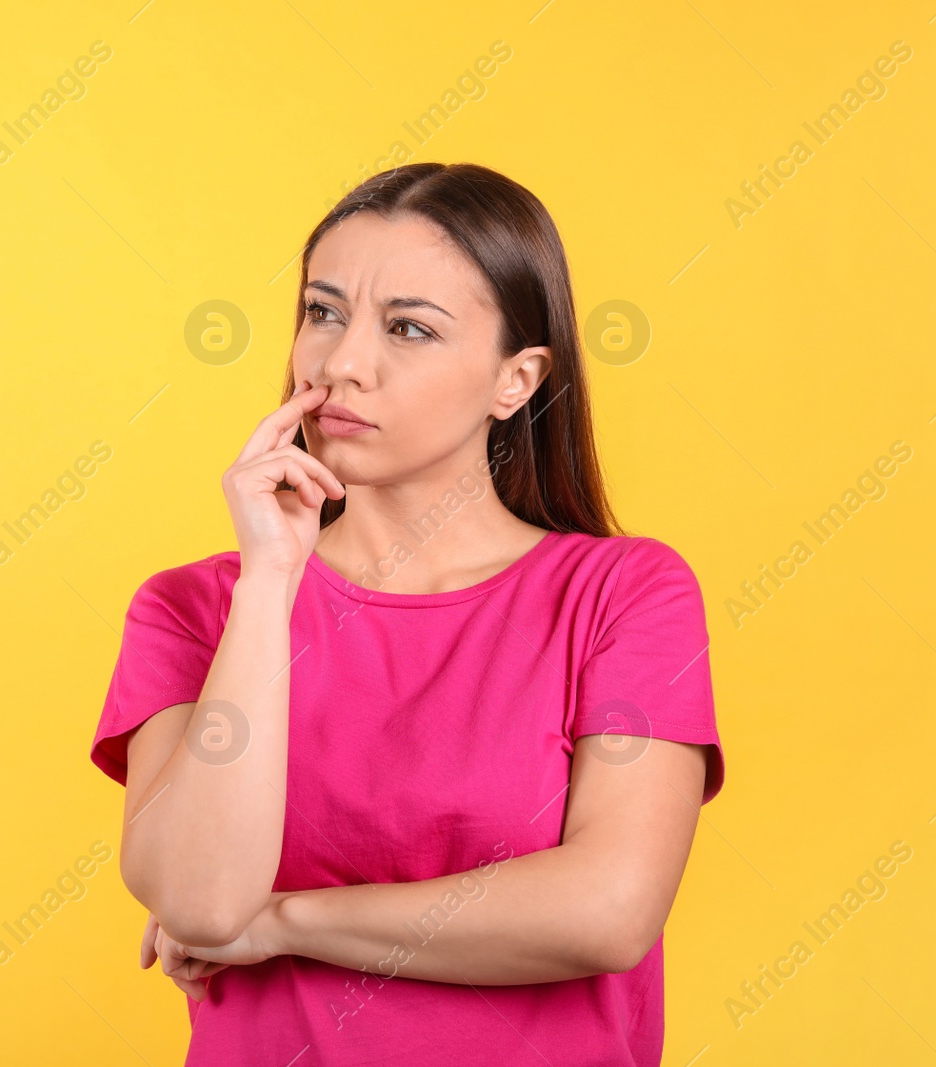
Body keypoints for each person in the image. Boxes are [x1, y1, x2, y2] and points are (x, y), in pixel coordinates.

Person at [89, 162, 726, 1066]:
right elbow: (199, 901)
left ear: (516, 380)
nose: (342, 362)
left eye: (409, 328)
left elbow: (608, 910)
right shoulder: (196, 610)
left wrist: (285, 921)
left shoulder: (622, 594)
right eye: (322, 311)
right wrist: (271, 579)